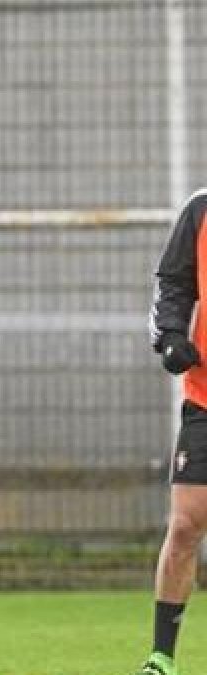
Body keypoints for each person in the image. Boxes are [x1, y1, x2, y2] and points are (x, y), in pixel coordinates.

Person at [137, 190, 207, 675]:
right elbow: (174, 283)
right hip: (205, 398)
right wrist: (172, 335)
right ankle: (162, 657)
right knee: (183, 526)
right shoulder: (201, 209)